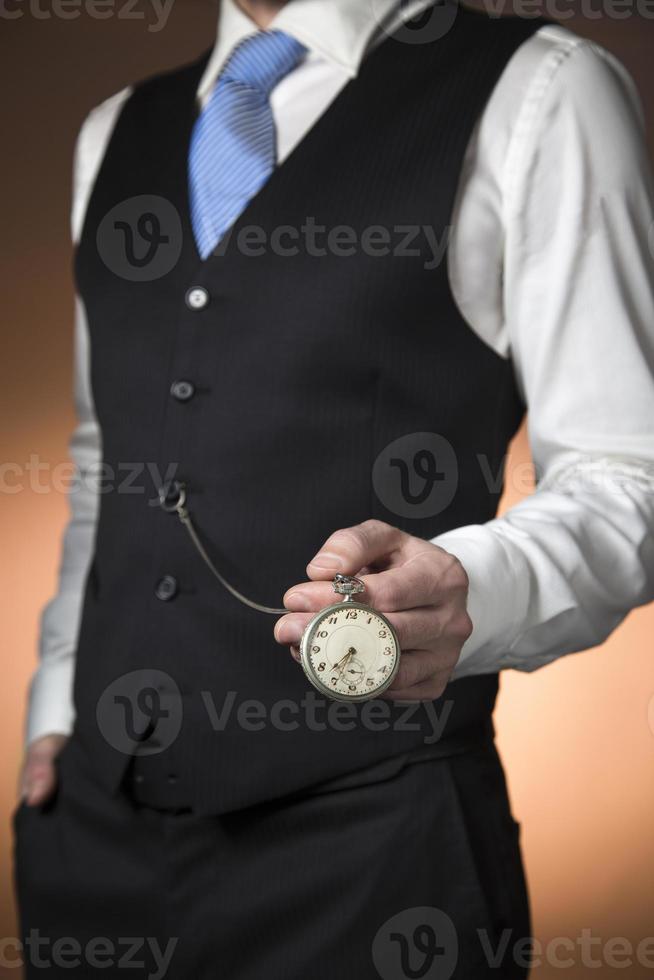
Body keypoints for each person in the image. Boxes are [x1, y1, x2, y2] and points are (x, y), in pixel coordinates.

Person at [15, 1, 654, 977]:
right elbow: (112, 449)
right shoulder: (114, 129)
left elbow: (628, 471)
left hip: (378, 859)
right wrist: (57, 698)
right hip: (91, 843)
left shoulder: (544, 89)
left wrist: (473, 585)